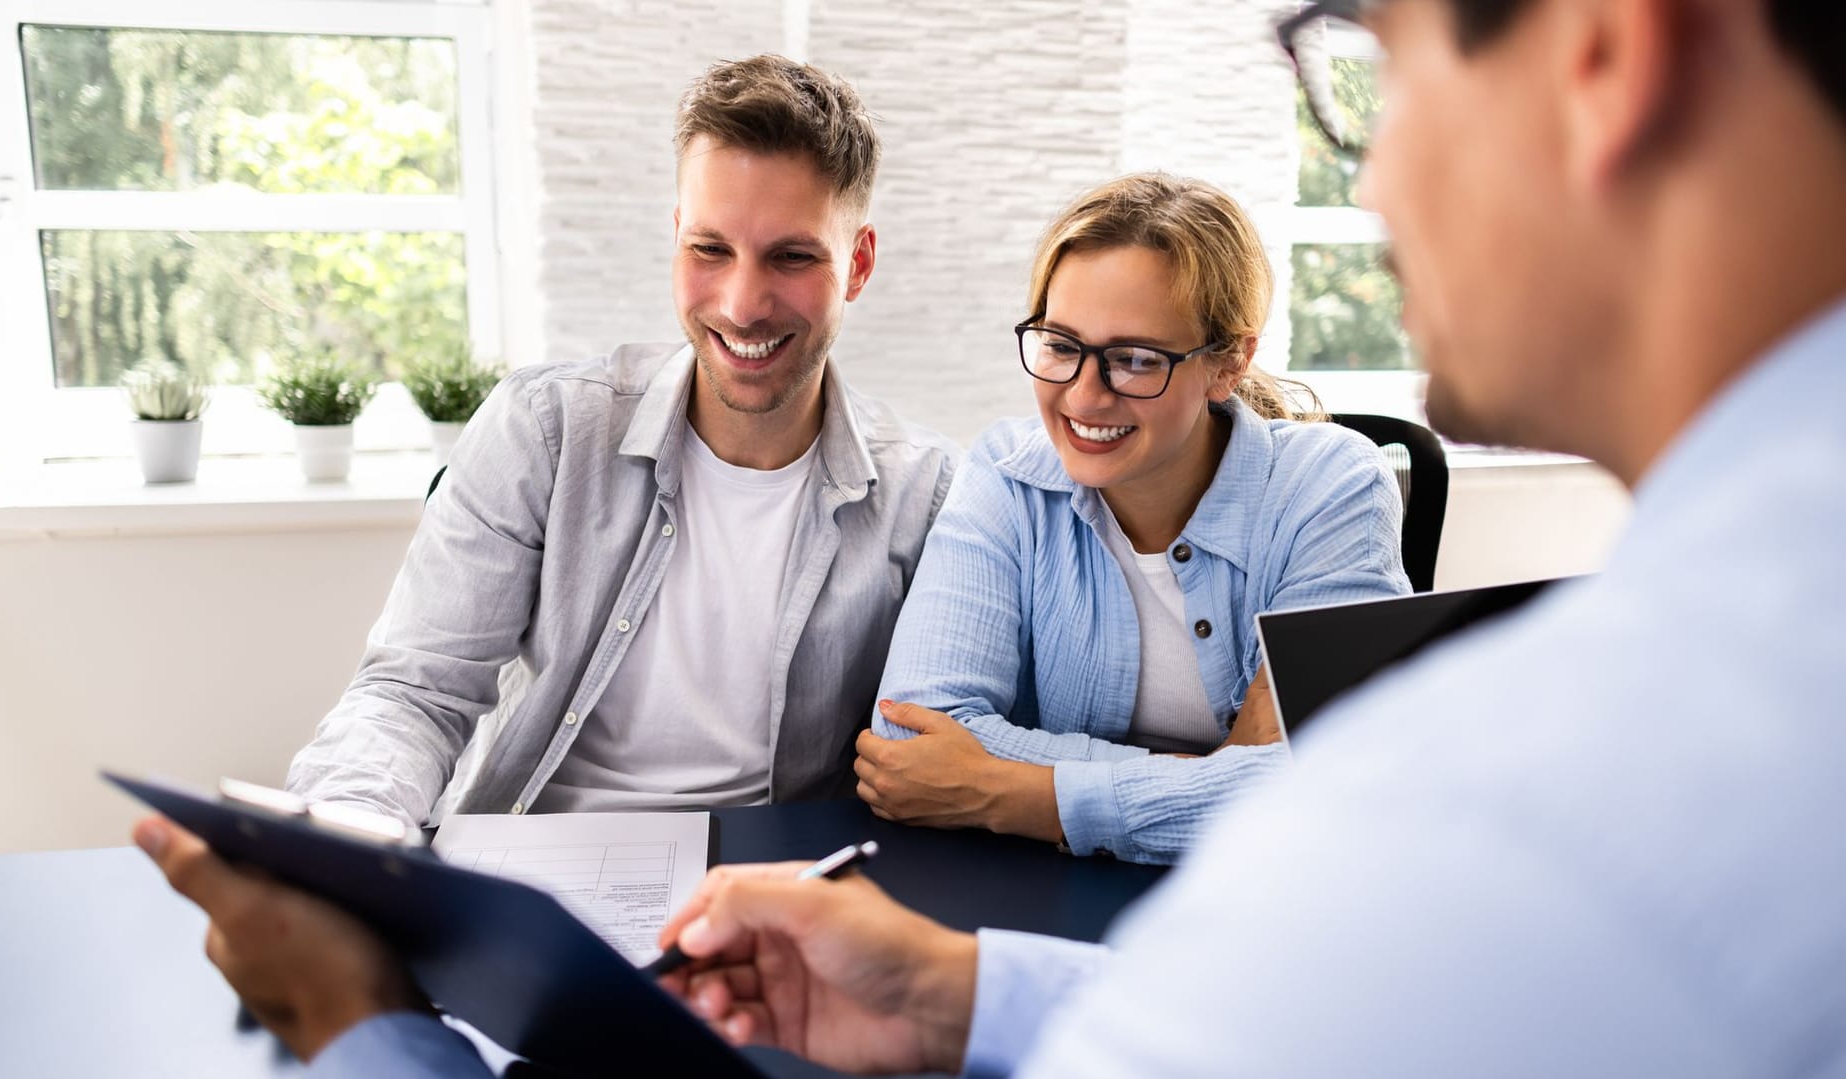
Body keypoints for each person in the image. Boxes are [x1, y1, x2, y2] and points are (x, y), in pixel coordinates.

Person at [134, 0, 1846, 1073]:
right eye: (706, 252)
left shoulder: (941, 486)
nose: (1375, 180)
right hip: (573, 896)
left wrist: (356, 1021)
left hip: (766, 914)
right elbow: (432, 688)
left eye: (1372, 66)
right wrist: (360, 846)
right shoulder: (568, 430)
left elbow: (1005, 771)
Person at [284, 55, 955, 824]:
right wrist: (351, 827)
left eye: (792, 257)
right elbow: (415, 691)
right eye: (710, 249)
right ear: (676, 238)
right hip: (532, 862)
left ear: (858, 263)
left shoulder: (925, 494)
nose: (742, 304)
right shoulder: (544, 430)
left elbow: (942, 751)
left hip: (769, 900)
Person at [856, 174, 1408, 864]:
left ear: (1227, 363)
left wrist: (1019, 792)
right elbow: (910, 739)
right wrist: (1213, 779)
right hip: (1052, 898)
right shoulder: (1007, 474)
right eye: (1060, 345)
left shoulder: (1331, 485)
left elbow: (1336, 781)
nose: (1085, 396)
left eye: (1135, 359)